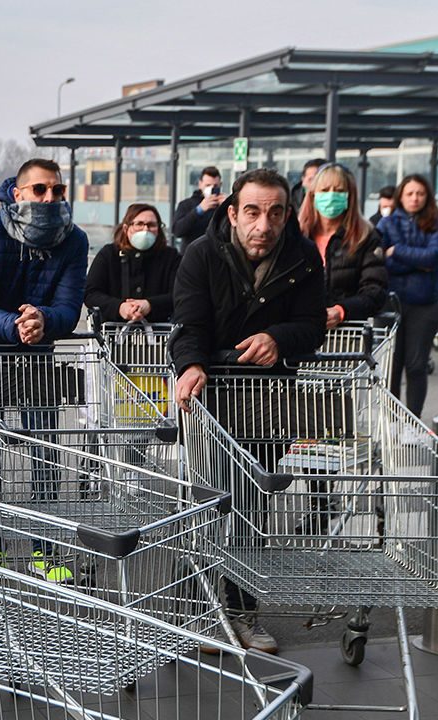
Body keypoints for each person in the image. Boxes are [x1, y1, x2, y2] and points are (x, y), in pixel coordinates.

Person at [171, 167, 327, 654]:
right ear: (233, 213)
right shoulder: (200, 255)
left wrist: (277, 338)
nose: (265, 224)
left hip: (267, 401)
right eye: (254, 212)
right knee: (209, 502)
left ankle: (242, 610)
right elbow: (189, 323)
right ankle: (197, 612)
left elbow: (312, 326)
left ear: (286, 214)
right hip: (212, 397)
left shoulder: (301, 258)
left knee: (251, 505)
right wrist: (192, 364)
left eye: (275, 212)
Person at [0, 158, 88, 583]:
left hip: (39, 358)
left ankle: (46, 551)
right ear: (18, 193)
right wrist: (19, 326)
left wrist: (42, 320)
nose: (50, 199)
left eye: (57, 191)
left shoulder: (74, 240)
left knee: (47, 456)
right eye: (40, 190)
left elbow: (70, 309)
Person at [378, 174, 438, 418]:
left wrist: (397, 252)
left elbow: (434, 257)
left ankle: (412, 420)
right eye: (409, 193)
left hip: (425, 305)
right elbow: (381, 262)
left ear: (427, 196)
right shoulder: (386, 224)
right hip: (392, 303)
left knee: (417, 366)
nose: (415, 198)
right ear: (401, 196)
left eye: (420, 193)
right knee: (392, 367)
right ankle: (392, 420)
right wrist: (416, 261)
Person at [297, 162, 388, 328]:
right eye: (324, 190)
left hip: (346, 334)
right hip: (300, 331)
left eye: (339, 191)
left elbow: (375, 290)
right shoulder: (297, 236)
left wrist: (341, 310)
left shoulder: (365, 237)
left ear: (349, 196)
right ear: (312, 195)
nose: (331, 196)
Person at [84, 203, 181, 323]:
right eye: (139, 224)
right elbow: (91, 293)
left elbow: (179, 293)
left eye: (151, 225)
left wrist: (150, 305)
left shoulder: (171, 257)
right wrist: (120, 307)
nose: (145, 229)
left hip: (160, 333)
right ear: (126, 228)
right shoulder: (109, 254)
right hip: (113, 331)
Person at [171, 166, 224, 253]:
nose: (211, 189)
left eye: (215, 186)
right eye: (208, 185)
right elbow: (177, 230)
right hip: (191, 255)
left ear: (220, 185)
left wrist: (226, 207)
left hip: (216, 254)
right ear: (200, 184)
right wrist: (199, 210)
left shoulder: (223, 205)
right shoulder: (186, 204)